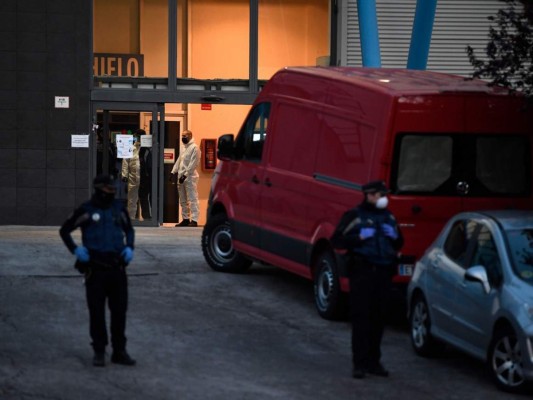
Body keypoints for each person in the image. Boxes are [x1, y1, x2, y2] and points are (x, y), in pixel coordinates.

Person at [59, 174, 136, 367]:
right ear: (99, 189)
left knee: (119, 312)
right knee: (97, 313)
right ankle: (99, 351)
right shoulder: (86, 210)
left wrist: (130, 247)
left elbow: (129, 230)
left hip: (117, 268)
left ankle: (119, 351)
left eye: (112, 190)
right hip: (95, 269)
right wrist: (76, 250)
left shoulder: (118, 209)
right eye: (108, 190)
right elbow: (65, 230)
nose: (111, 193)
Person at [331, 180, 403, 379]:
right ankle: (359, 363)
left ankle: (374, 362)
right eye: (379, 195)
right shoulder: (355, 216)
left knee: (379, 318)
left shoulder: (389, 217)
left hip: (383, 273)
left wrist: (395, 237)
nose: (382, 198)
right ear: (369, 195)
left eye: (383, 194)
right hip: (362, 272)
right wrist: (358, 238)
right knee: (361, 318)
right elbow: (336, 240)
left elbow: (398, 242)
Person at [170, 129, 201, 227]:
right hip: (180, 177)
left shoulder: (195, 148)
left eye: (185, 136)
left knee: (192, 199)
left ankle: (194, 220)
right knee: (183, 200)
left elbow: (193, 163)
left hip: (190, 177)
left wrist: (185, 175)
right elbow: (179, 160)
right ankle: (186, 219)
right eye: (182, 136)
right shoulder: (183, 148)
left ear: (190, 136)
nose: (183, 138)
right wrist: (173, 171)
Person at [121, 130, 141, 220]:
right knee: (132, 199)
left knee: (144, 199)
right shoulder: (130, 147)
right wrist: (124, 175)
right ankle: (131, 218)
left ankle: (147, 219)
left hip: (144, 177)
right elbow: (125, 162)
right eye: (136, 136)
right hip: (132, 177)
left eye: (139, 136)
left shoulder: (146, 148)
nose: (137, 138)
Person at [137, 129, 152, 220]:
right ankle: (148, 216)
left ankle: (147, 217)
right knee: (145, 196)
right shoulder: (147, 147)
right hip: (147, 175)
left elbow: (145, 163)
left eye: (137, 136)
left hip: (146, 176)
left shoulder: (144, 148)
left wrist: (146, 174)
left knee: (143, 195)